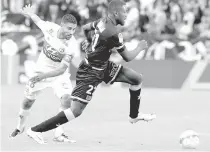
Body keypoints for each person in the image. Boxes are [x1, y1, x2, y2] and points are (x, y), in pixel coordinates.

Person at [26, 0, 156, 144]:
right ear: (116, 13)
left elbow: (86, 28)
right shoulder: (113, 33)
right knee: (75, 111)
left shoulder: (102, 21)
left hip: (103, 66)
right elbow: (128, 57)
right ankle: (35, 130)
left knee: (136, 78)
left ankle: (134, 115)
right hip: (90, 72)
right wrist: (140, 47)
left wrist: (89, 42)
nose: (127, 15)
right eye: (125, 12)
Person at [10, 4, 79, 143]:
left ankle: (59, 134)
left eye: (74, 29)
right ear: (61, 25)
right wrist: (30, 14)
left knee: (66, 99)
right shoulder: (50, 28)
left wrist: (42, 77)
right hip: (40, 70)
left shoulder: (71, 45)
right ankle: (20, 126)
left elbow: (60, 70)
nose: (71, 32)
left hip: (58, 74)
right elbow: (37, 20)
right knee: (28, 101)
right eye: (69, 28)